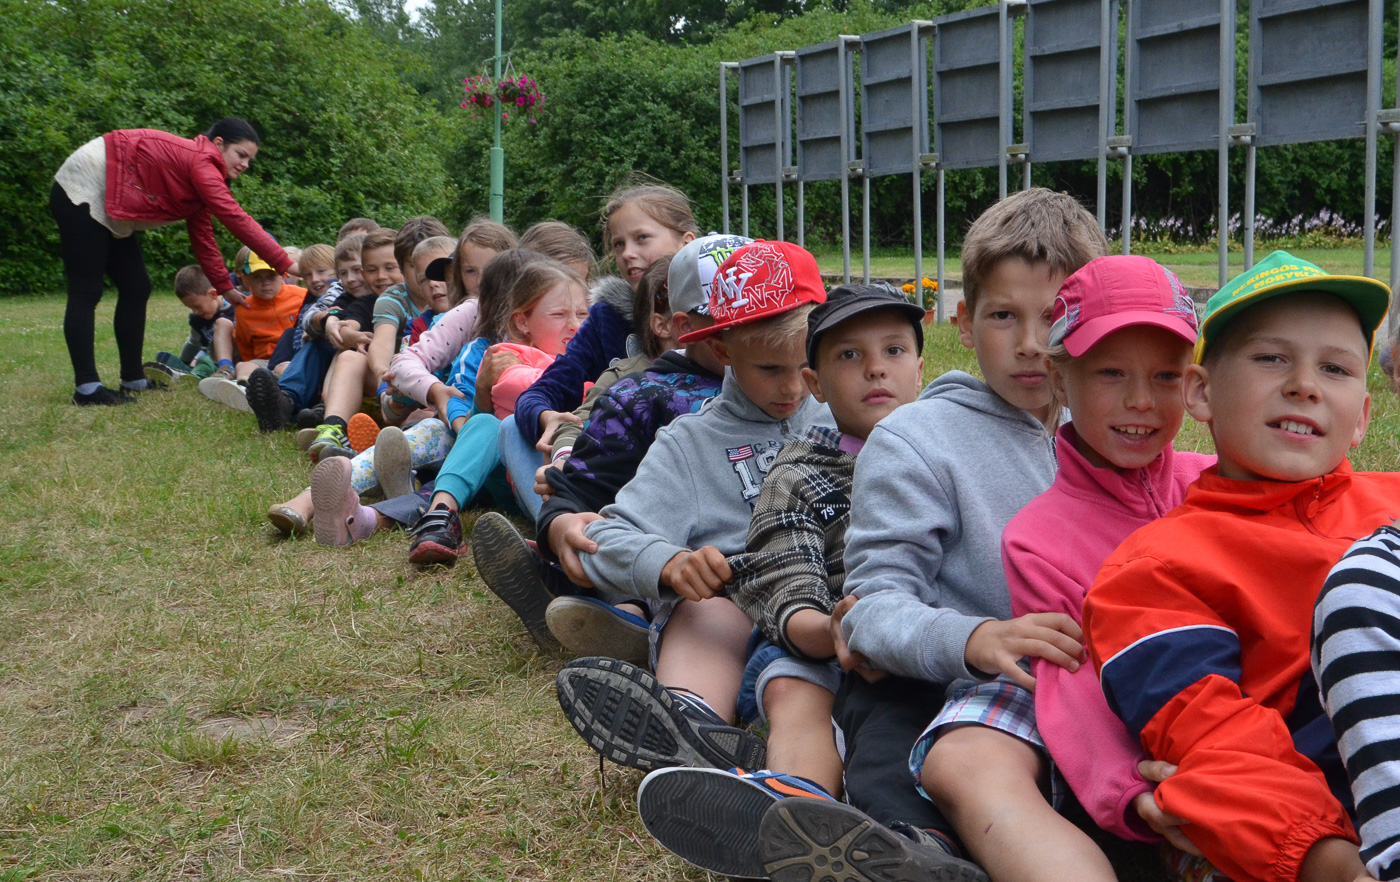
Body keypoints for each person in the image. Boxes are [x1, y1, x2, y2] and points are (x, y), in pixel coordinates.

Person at [757, 188, 1106, 882]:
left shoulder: (1110, 431)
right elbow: (875, 605)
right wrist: (973, 639)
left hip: (1076, 685)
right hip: (943, 676)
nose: (1032, 343)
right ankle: (912, 849)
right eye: (1004, 316)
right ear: (965, 323)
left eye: (1054, 316)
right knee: (888, 716)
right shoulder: (915, 440)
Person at [1083, 250, 1400, 882]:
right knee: (1358, 593)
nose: (1304, 384)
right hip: (1349, 817)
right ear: (1201, 391)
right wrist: (1332, 866)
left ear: (1363, 417)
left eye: (1335, 368)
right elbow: (1217, 744)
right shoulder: (1153, 571)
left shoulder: (1391, 498)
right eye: (1271, 358)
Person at [918, 256, 1212, 882]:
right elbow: (1072, 676)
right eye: (1110, 373)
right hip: (1133, 749)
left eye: (1165, 376)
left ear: (1193, 382)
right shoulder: (1037, 538)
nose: (1140, 400)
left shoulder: (1214, 485)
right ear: (1059, 378)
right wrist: (1128, 786)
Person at [635, 284, 927, 880]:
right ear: (821, 382)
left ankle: (909, 838)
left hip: (928, 637)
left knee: (897, 733)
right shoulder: (797, 471)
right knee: (793, 688)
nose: (876, 368)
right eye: (850, 356)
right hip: (812, 633)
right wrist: (829, 631)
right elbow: (788, 573)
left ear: (921, 368)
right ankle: (794, 810)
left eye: (894, 350)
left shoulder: (946, 448)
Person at [553, 240, 832, 779]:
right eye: (770, 368)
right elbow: (606, 538)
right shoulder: (688, 443)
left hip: (828, 602)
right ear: (723, 350)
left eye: (806, 365)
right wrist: (670, 564)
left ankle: (778, 771)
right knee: (706, 612)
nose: (793, 387)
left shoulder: (842, 414)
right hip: (737, 605)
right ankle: (690, 732)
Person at [467, 234, 747, 660]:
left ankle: (563, 584)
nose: (747, 337)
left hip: (752, 566)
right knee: (511, 436)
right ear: (675, 326)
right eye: (726, 324)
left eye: (769, 322)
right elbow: (578, 434)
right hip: (647, 536)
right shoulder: (638, 390)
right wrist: (562, 500)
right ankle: (613, 607)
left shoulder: (802, 396)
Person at [51, 117, 291, 405]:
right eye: (241, 154)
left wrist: (224, 287)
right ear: (218, 144)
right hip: (83, 186)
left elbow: (203, 237)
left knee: (136, 287)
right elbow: (234, 218)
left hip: (112, 197)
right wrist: (286, 263)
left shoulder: (201, 174)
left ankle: (133, 379)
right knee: (86, 290)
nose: (245, 164)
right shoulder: (200, 161)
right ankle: (87, 389)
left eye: (250, 159)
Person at [405, 258, 590, 564]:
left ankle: (567, 531)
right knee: (491, 424)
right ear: (523, 323)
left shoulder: (595, 359)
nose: (574, 324)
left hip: (576, 474)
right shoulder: (510, 355)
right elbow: (518, 387)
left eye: (583, 314)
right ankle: (440, 515)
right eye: (559, 314)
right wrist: (591, 390)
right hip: (517, 474)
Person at [509, 182, 698, 458]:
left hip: (694, 456)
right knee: (509, 428)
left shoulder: (722, 310)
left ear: (687, 243)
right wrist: (546, 416)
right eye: (618, 244)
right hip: (617, 463)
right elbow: (545, 390)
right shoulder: (606, 319)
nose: (627, 253)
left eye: (642, 238)